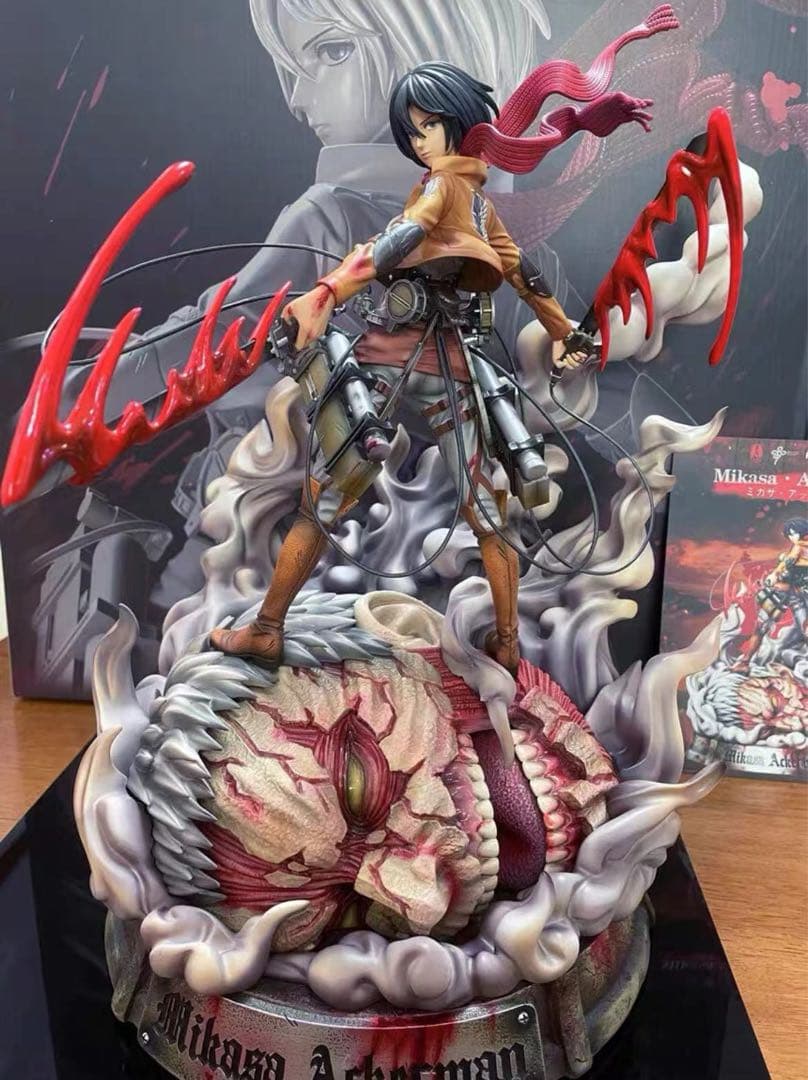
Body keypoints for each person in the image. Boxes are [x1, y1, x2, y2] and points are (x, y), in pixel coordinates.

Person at [210, 52, 662, 672]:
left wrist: (327, 291)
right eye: (412, 130)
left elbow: (403, 238)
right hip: (450, 371)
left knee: (326, 499)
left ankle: (266, 629)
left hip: (390, 362)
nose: (419, 141)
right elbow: (522, 272)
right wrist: (562, 329)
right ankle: (507, 643)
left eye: (428, 126)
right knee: (485, 509)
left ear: (459, 124)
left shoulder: (442, 188)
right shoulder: (477, 204)